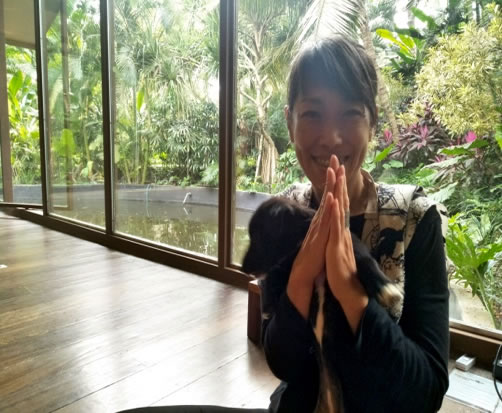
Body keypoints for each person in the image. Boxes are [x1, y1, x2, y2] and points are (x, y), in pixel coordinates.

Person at [259, 35, 449, 412]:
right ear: (289, 122)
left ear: (372, 122)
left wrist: (350, 289)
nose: (332, 138)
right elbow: (282, 363)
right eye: (312, 114)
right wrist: (302, 277)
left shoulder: (414, 219)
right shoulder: (282, 216)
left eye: (350, 113)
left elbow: (426, 393)